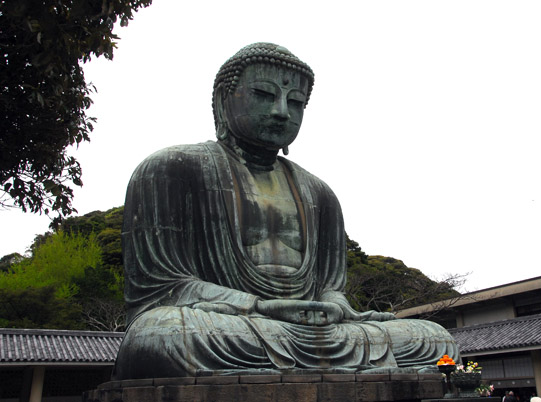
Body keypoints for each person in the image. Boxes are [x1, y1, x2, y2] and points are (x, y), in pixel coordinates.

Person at [113, 43, 459, 379]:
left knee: (434, 339)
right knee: (163, 335)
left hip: (314, 333)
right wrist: (257, 306)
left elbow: (329, 287)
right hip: (231, 325)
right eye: (264, 95)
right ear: (222, 101)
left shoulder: (319, 193)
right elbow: (163, 289)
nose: (281, 111)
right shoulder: (170, 169)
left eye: (295, 102)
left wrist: (334, 307)